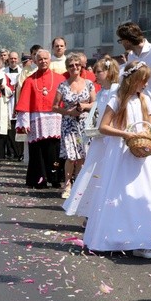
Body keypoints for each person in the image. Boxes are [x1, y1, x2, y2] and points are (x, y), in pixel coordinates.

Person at [82, 61, 151, 257]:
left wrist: (146, 132)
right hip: (121, 152)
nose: (145, 85)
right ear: (133, 80)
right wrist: (125, 135)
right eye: (142, 81)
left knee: (144, 193)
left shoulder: (144, 99)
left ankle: (143, 239)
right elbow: (104, 127)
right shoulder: (117, 99)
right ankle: (116, 237)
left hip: (141, 151)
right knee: (121, 194)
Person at [63, 56, 119, 216]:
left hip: (108, 137)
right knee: (93, 173)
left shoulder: (115, 92)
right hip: (98, 137)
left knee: (104, 173)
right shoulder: (102, 92)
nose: (95, 76)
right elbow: (96, 109)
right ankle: (91, 211)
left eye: (99, 72)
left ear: (108, 72)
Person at [15, 49, 64, 188]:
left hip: (55, 118)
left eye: (45, 59)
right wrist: (24, 122)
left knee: (54, 150)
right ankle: (39, 179)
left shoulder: (60, 79)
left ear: (50, 60)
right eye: (40, 59)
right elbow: (24, 102)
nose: (43, 61)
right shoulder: (30, 80)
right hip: (36, 118)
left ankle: (55, 178)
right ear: (35, 62)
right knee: (38, 151)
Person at [54, 52, 96, 198]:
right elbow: (54, 106)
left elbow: (94, 104)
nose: (74, 68)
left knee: (82, 155)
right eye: (71, 65)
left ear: (81, 66)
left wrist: (84, 106)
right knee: (71, 156)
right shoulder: (62, 86)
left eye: (77, 65)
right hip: (69, 125)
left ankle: (79, 183)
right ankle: (67, 184)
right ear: (67, 68)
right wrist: (68, 112)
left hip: (84, 124)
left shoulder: (89, 84)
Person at [4, 51, 23, 160]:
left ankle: (19, 152)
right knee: (8, 129)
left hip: (18, 102)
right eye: (11, 58)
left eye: (15, 58)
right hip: (7, 102)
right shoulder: (3, 72)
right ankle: (9, 151)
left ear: (18, 60)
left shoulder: (22, 72)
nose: (13, 60)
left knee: (18, 128)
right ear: (8, 59)